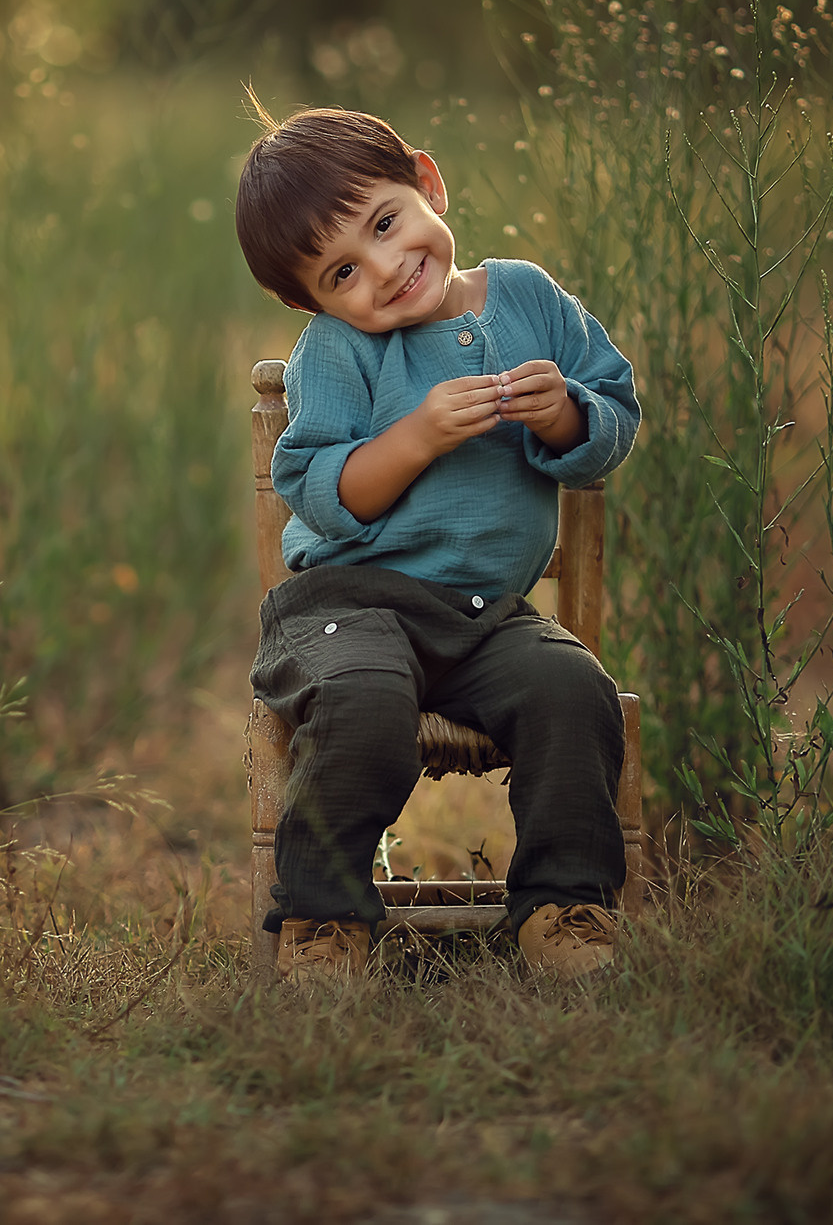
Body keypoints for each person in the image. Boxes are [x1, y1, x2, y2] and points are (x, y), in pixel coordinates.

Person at [234, 103, 639, 982]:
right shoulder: (337, 349)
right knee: (366, 702)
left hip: (489, 618)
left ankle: (564, 906)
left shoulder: (529, 298)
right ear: (311, 299)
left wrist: (567, 410)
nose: (386, 268)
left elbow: (614, 414)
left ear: (426, 182)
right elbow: (317, 486)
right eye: (344, 270)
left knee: (573, 688)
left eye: (386, 223)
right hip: (349, 608)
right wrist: (415, 436)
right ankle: (325, 914)